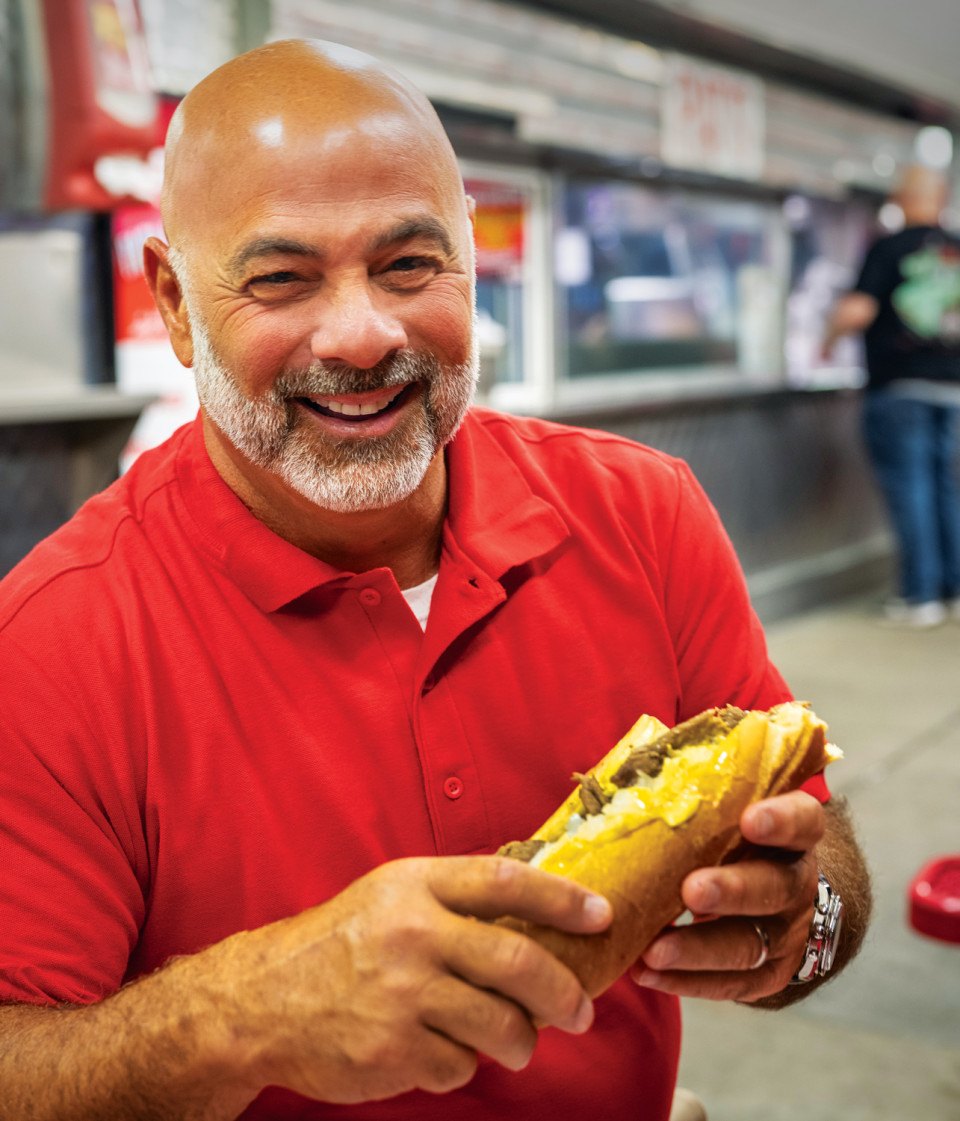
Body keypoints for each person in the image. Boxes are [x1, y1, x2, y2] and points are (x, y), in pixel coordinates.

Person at [0, 39, 871, 1121]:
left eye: (410, 263)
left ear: (470, 255)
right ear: (176, 303)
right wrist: (239, 1010)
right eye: (281, 277)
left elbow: (819, 848)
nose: (365, 334)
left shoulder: (645, 513)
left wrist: (806, 923)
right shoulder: (56, 636)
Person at [823, 165, 960, 627]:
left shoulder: (889, 246)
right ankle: (953, 590)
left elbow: (857, 310)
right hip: (952, 387)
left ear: (903, 198)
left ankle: (920, 595)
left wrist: (825, 341)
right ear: (940, 200)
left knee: (912, 486)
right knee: (947, 485)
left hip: (899, 385)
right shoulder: (956, 250)